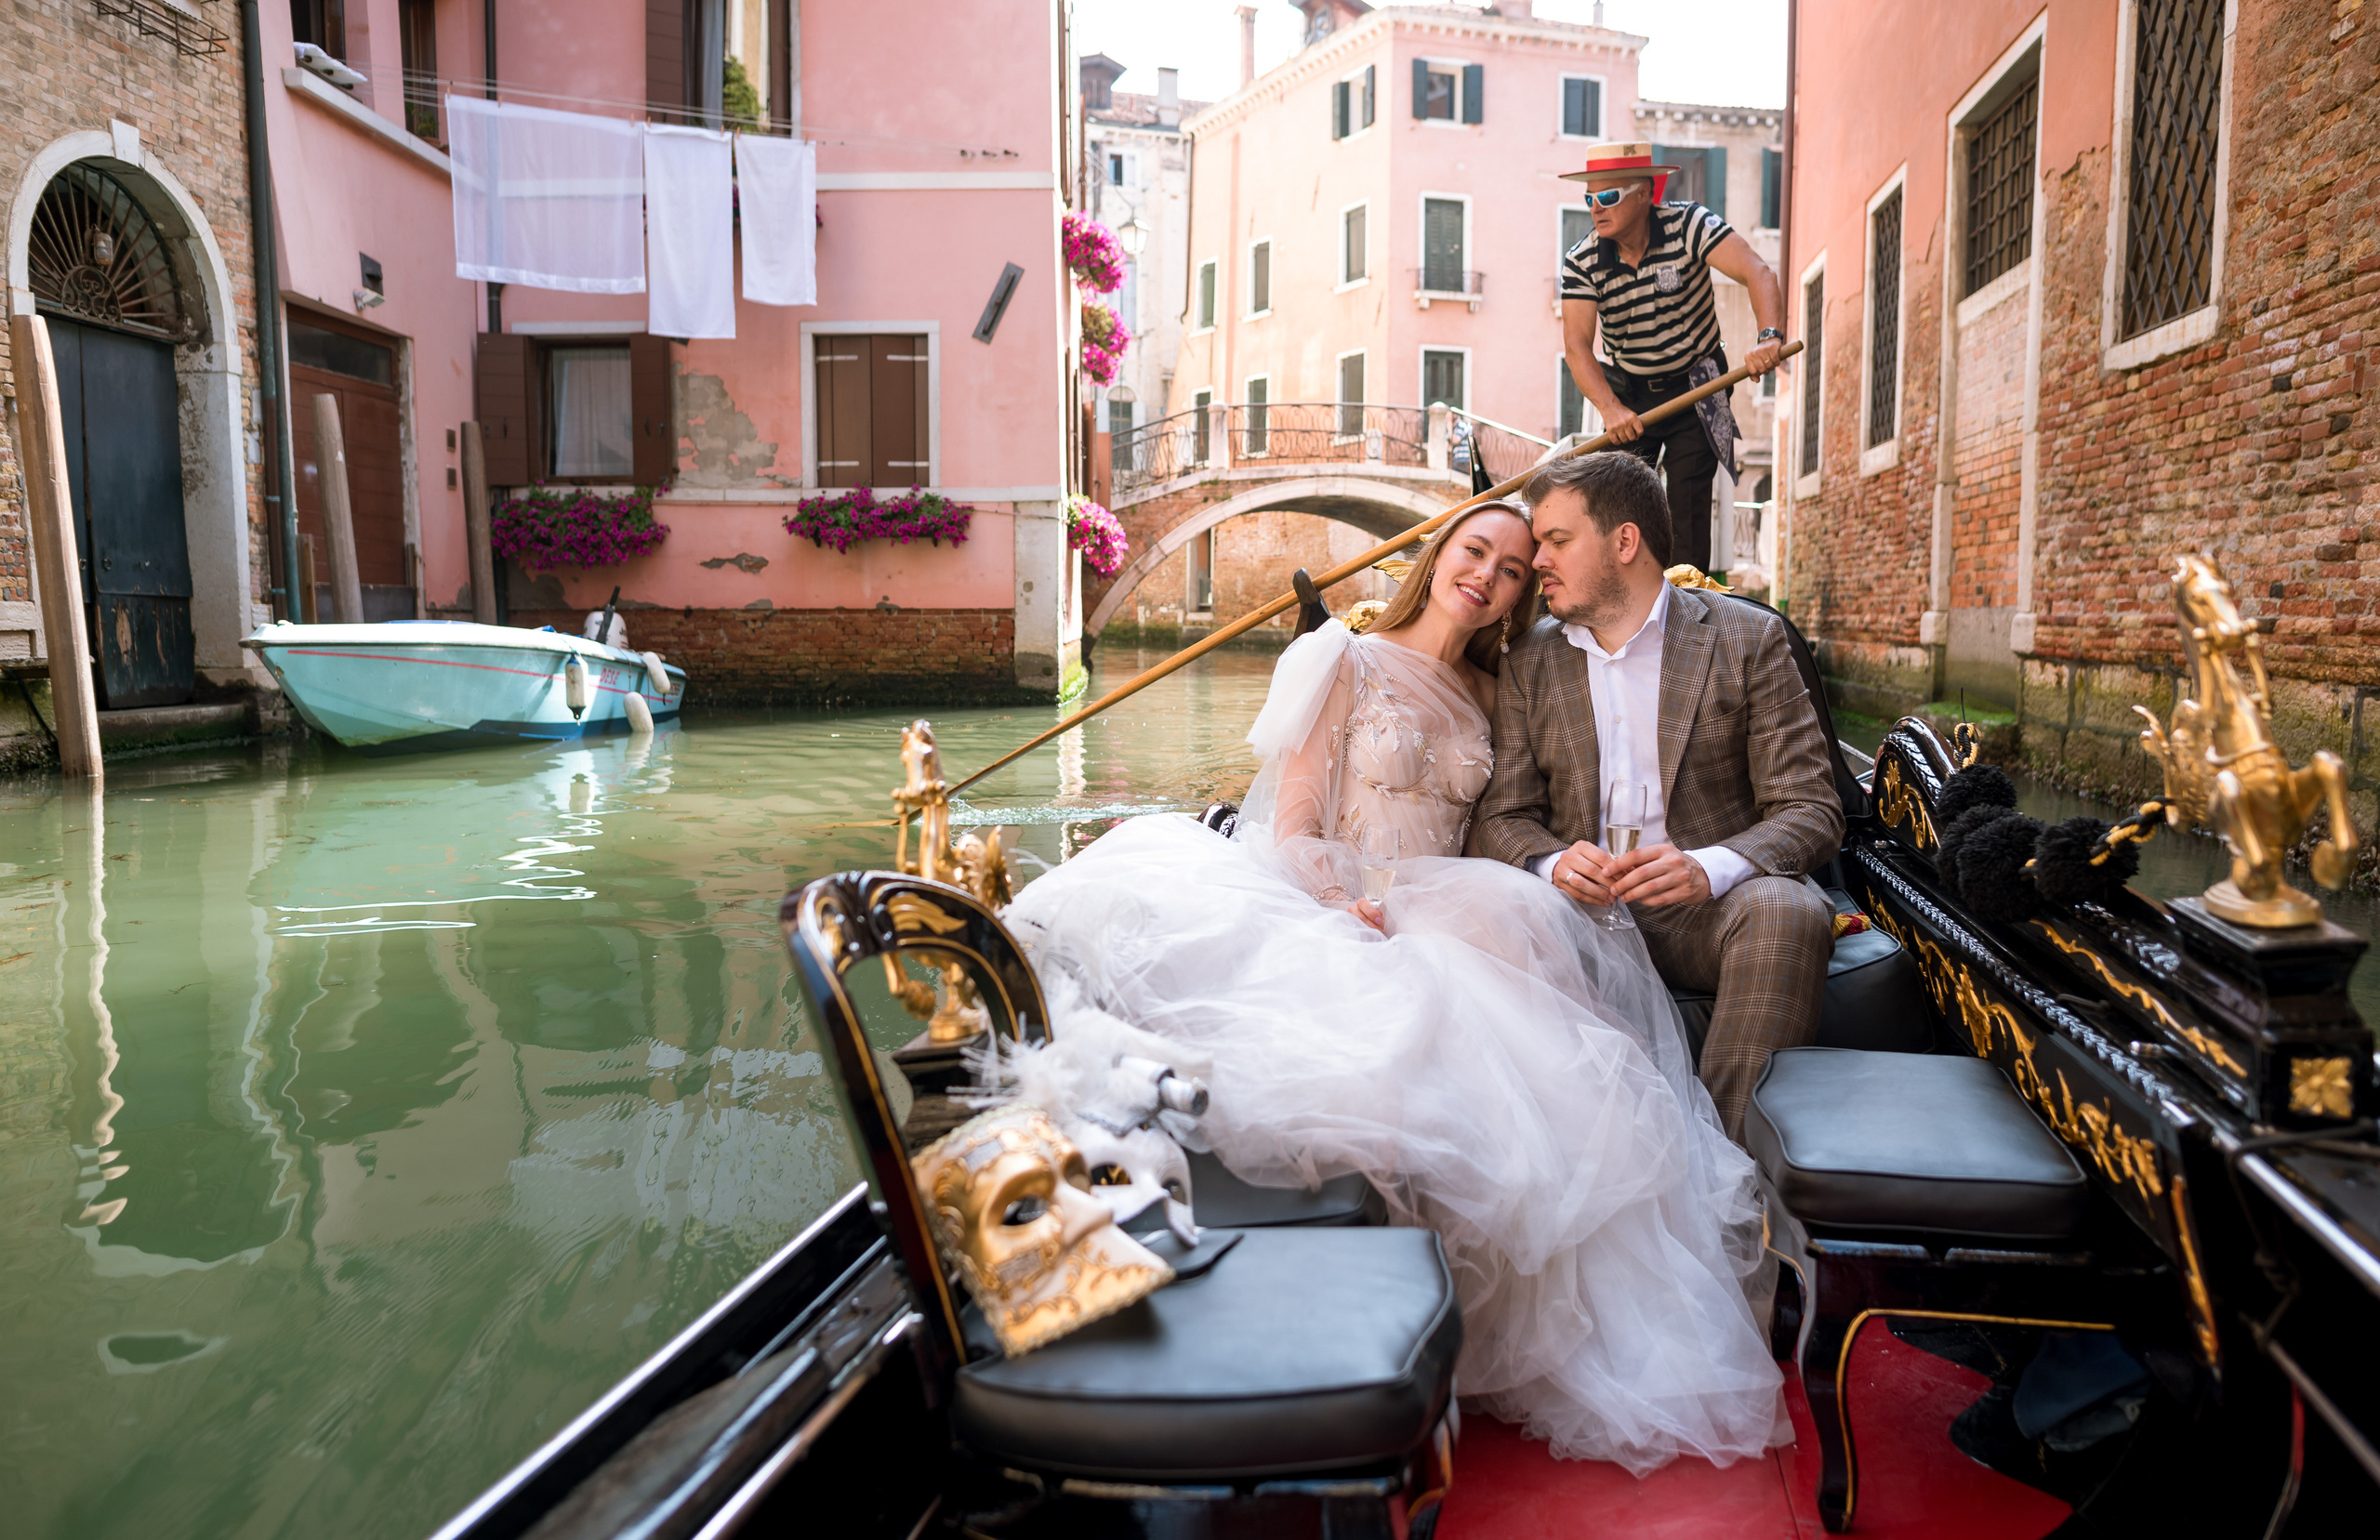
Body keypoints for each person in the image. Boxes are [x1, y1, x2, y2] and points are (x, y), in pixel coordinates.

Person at [1002, 500, 1786, 1475]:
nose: (1487, 577)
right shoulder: (1341, 656)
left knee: (1518, 1025)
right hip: (1325, 894)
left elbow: (1508, 822)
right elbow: (1293, 824)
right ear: (1436, 553)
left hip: (1441, 903)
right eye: (1475, 552)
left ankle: (1434, 1321)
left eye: (1512, 569)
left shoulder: (1500, 689)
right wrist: (1344, 903)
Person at [1469, 453, 1844, 1141]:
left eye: (1557, 540)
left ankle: (1727, 1169)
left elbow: (1810, 808)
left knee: (1786, 910)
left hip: (1704, 913)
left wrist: (1708, 868)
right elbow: (1503, 814)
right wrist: (1554, 863)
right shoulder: (1531, 658)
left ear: (1624, 541)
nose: (1538, 559)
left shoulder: (1747, 639)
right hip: (1573, 915)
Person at [1558, 141, 1786, 577]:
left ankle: (1687, 604)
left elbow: (1757, 272)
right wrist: (1610, 408)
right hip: (1629, 395)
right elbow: (1577, 347)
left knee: (1689, 511)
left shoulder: (1690, 225)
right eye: (1589, 199)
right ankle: (1629, 602)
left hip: (1699, 385)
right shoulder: (1582, 260)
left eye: (1608, 196)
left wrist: (1769, 336)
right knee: (1623, 511)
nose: (1596, 209)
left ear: (1645, 193)